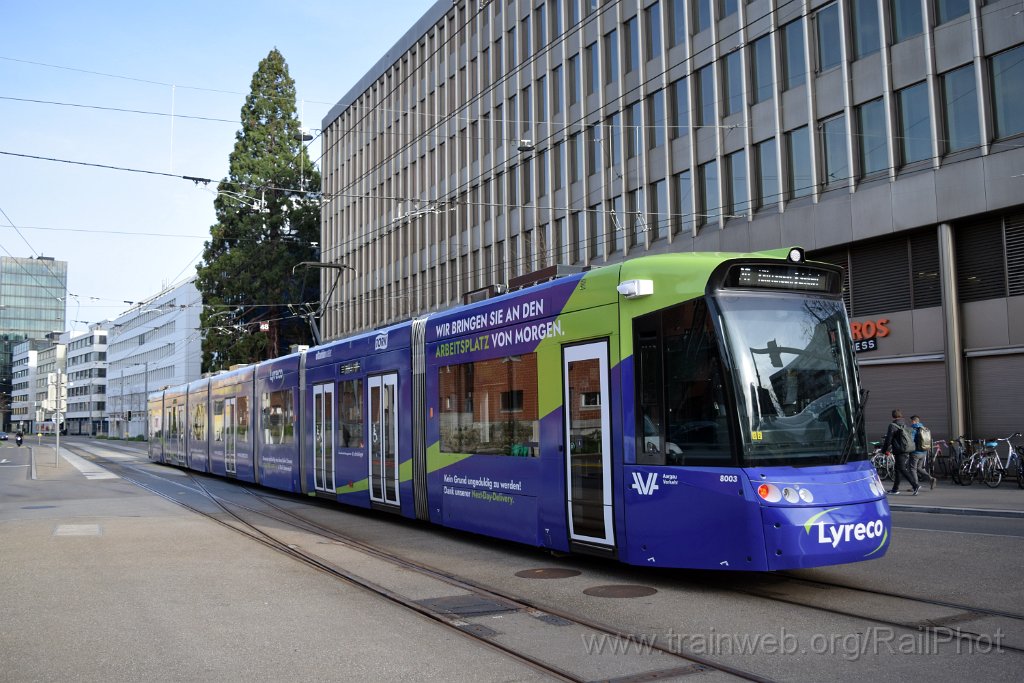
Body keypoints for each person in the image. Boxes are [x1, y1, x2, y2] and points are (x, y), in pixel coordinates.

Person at [882, 409, 919, 495]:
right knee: (897, 469)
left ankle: (915, 485)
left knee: (902, 469)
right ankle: (895, 489)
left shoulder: (892, 425)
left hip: (899, 450)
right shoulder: (904, 424)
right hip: (906, 449)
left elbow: (888, 439)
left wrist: (884, 450)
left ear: (893, 416)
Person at [910, 415, 938, 490]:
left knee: (913, 469)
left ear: (913, 421)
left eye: (911, 421)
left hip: (915, 452)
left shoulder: (914, 428)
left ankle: (915, 486)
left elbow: (911, 440)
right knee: (919, 467)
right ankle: (931, 478)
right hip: (924, 452)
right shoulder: (924, 428)